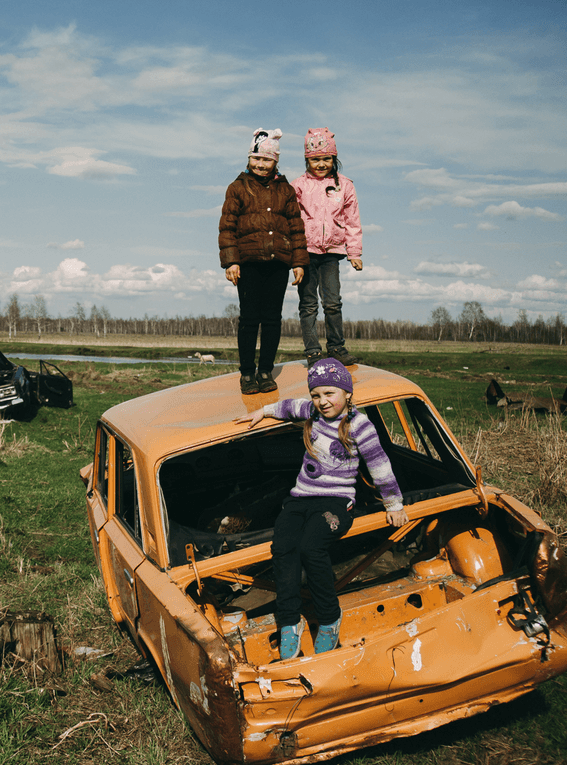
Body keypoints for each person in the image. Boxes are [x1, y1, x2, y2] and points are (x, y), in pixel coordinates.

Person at [236, 358, 407, 660]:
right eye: (316, 395)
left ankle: (329, 619)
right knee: (283, 546)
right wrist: (263, 411)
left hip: (336, 501)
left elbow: (380, 466)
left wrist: (394, 504)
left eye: (330, 393)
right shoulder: (312, 412)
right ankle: (290, 621)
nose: (322, 401)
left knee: (311, 547)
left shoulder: (359, 425)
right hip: (301, 497)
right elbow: (288, 406)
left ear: (347, 393)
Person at [220, 128, 308, 395]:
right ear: (249, 159)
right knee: (249, 319)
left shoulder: (286, 190)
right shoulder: (237, 188)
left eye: (266, 160)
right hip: (247, 263)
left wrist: (299, 262)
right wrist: (230, 262)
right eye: (256, 158)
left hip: (278, 262)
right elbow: (227, 227)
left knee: (272, 319)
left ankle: (266, 371)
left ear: (276, 161)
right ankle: (247, 373)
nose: (260, 164)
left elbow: (296, 227)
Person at [292, 128, 362, 368]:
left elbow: (352, 220)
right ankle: (312, 351)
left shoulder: (345, 186)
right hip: (306, 252)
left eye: (326, 158)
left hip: (332, 252)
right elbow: (291, 221)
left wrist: (354, 253)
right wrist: (293, 253)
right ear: (307, 159)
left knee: (332, 302)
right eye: (315, 159)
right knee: (308, 304)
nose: (321, 164)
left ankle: (336, 347)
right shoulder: (298, 186)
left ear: (334, 158)